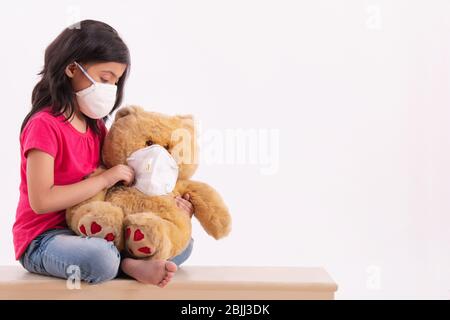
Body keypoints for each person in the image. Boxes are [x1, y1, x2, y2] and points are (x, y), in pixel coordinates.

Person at [13, 20, 194, 287]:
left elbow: (126, 181)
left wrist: (172, 205)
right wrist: (104, 179)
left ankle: (130, 261)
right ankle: (126, 264)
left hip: (92, 231)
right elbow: (42, 201)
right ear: (72, 68)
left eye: (116, 81)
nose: (110, 88)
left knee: (183, 243)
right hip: (45, 239)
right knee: (102, 258)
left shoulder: (96, 126)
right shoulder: (44, 125)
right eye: (105, 79)